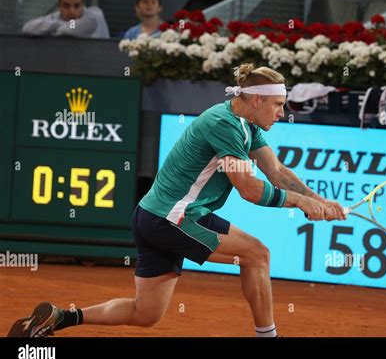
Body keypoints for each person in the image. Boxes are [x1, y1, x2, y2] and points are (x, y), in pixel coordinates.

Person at [7, 63, 346, 338]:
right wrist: (299, 204)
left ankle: (61, 318)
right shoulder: (223, 124)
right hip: (172, 219)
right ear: (256, 100)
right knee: (256, 255)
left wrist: (319, 200)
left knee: (146, 313)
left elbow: (276, 171)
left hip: (162, 216)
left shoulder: (247, 123)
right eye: (278, 104)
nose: (282, 112)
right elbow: (250, 189)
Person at [22, 0, 110, 39]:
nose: (71, 11)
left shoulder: (95, 15)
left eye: (76, 6)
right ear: (59, 7)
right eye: (66, 6)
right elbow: (27, 28)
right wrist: (56, 24)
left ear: (83, 5)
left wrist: (51, 30)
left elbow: (71, 29)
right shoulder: (56, 17)